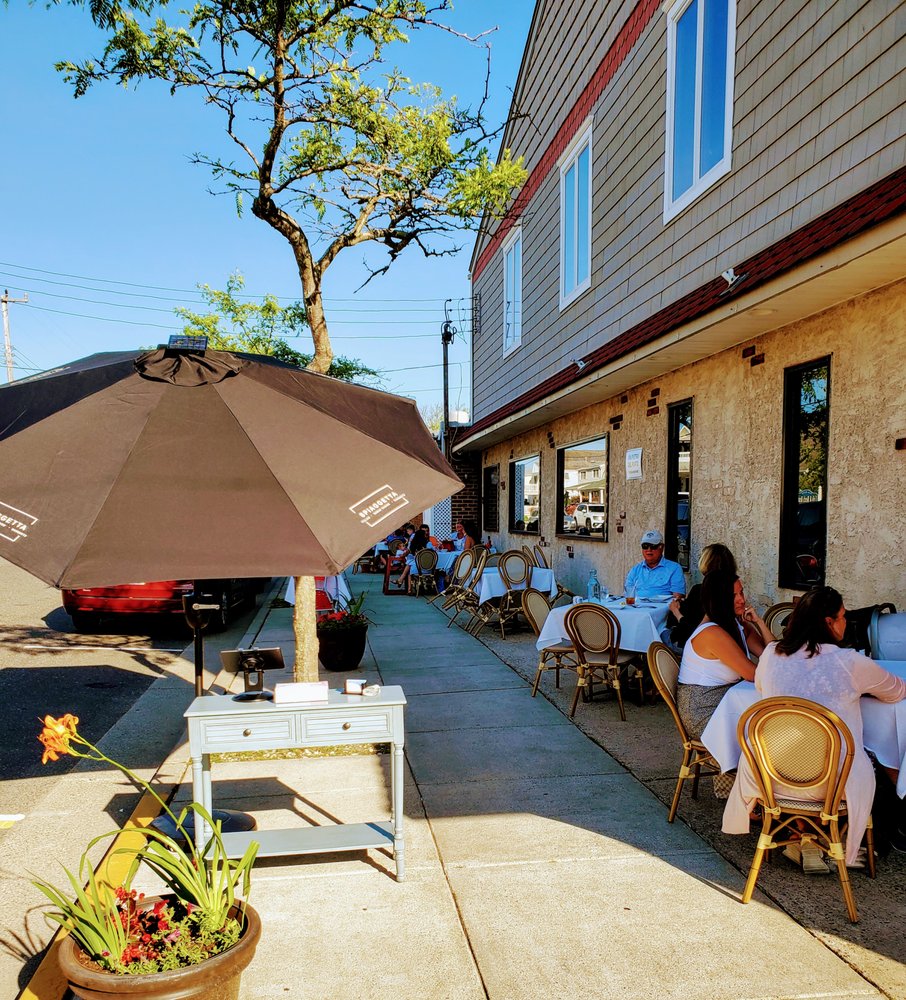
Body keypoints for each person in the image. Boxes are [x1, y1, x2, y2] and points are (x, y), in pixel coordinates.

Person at [723, 587, 906, 866]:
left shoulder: (772, 655)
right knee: (881, 762)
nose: (846, 622)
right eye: (843, 616)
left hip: (773, 777)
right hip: (832, 786)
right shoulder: (851, 663)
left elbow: (761, 688)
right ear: (829, 622)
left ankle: (802, 835)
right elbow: (896, 692)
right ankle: (857, 847)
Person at [676, 571, 772, 740]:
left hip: (727, 703)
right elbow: (754, 675)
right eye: (733, 595)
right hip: (705, 714)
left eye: (741, 592)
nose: (741, 599)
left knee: (773, 721)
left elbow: (772, 654)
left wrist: (759, 623)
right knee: (773, 725)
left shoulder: (735, 624)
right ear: (719, 600)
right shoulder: (712, 633)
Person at [668, 543, 738, 650]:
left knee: (661, 633)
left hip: (698, 646)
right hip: (728, 643)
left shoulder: (701, 591)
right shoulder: (733, 589)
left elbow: (689, 630)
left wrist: (676, 611)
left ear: (706, 563)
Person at [624, 530, 685, 599]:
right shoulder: (635, 570)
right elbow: (628, 594)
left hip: (662, 608)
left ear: (661, 547)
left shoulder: (674, 568)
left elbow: (677, 598)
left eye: (653, 546)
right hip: (636, 608)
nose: (649, 550)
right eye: (645, 546)